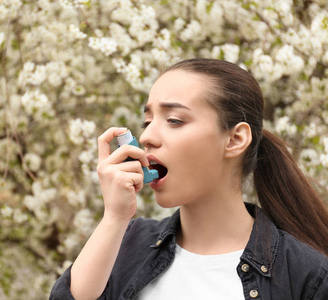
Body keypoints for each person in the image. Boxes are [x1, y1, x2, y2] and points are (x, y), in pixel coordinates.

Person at [49, 58, 328, 300]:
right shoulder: (127, 243)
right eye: (148, 121)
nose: (146, 137)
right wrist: (114, 218)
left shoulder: (305, 274)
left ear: (235, 139)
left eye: (174, 120)